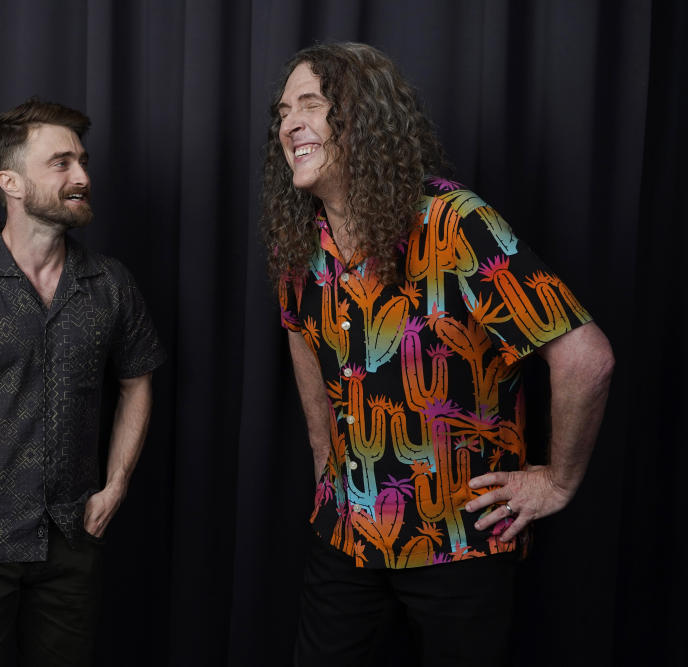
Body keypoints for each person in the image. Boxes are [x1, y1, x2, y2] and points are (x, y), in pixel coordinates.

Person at [261, 43, 614, 665]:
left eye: (311, 106)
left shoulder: (453, 224)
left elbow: (585, 356)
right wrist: (324, 453)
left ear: (364, 118)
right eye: (284, 111)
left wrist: (556, 481)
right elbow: (299, 329)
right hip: (345, 533)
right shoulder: (302, 240)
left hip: (459, 541)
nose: (290, 124)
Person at [0, 98, 166, 666]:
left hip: (73, 543)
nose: (83, 178)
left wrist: (116, 483)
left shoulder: (111, 285)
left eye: (83, 162)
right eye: (61, 163)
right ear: (11, 182)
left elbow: (137, 383)